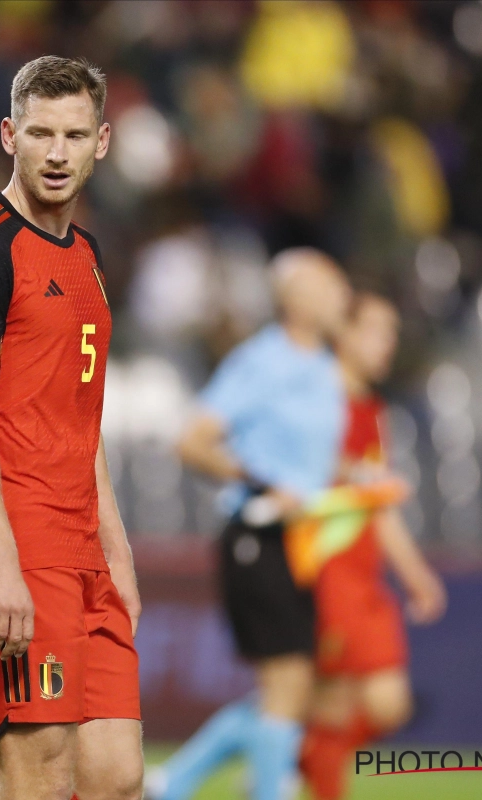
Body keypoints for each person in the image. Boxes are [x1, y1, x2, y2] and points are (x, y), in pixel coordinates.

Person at [0, 56, 143, 800]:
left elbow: (82, 414)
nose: (57, 153)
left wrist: (114, 548)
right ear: (9, 135)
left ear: (102, 142)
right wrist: (1, 563)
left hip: (82, 548)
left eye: (75, 135)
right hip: (17, 541)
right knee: (39, 776)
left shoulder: (87, 254)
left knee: (115, 778)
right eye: (41, 134)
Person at [147, 249, 351, 800]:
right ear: (297, 298)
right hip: (258, 535)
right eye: (330, 287)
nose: (342, 299)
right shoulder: (262, 361)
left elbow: (314, 466)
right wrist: (262, 481)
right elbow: (193, 442)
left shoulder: (326, 368)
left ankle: (173, 784)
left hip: (304, 541)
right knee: (286, 683)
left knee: (294, 686)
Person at [299, 294, 447, 800]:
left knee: (388, 705)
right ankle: (306, 767)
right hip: (326, 566)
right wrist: (357, 474)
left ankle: (295, 754)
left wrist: (415, 574)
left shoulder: (372, 409)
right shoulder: (316, 400)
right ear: (344, 334)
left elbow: (377, 505)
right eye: (377, 331)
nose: (389, 344)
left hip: (365, 576)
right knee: (335, 703)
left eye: (392, 333)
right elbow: (294, 467)